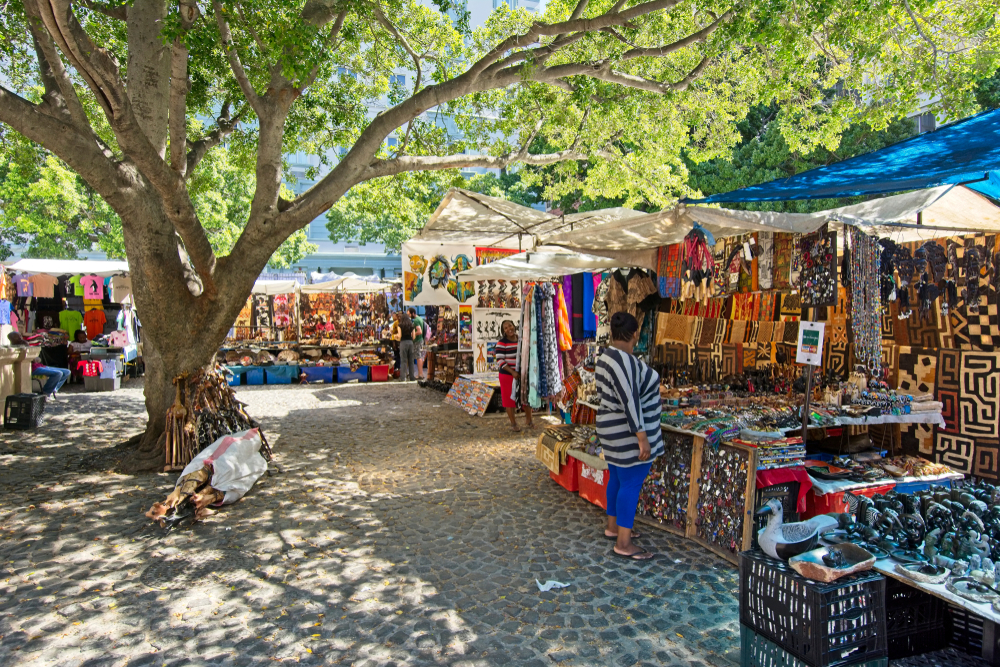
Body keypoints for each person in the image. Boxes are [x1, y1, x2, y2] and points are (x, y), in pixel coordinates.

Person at [595, 311, 664, 560]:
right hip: (626, 433)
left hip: (612, 429)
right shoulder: (622, 360)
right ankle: (623, 543)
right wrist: (642, 436)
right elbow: (629, 399)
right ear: (636, 333)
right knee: (631, 483)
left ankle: (614, 528)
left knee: (617, 477)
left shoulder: (607, 356)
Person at [8, 332, 71, 399]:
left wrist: (35, 358)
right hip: (32, 369)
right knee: (58, 374)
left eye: (19, 336)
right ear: (12, 339)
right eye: (17, 337)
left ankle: (53, 389)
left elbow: (35, 358)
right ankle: (46, 393)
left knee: (67, 372)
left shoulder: (24, 343)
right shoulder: (13, 348)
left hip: (39, 366)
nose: (20, 338)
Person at [496, 320, 534, 431]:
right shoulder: (502, 343)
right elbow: (500, 361)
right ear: (503, 331)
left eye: (510, 326)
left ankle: (529, 420)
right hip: (507, 375)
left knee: (526, 397)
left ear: (514, 326)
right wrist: (512, 372)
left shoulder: (521, 339)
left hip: (522, 374)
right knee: (509, 400)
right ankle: (513, 424)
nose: (509, 329)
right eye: (506, 328)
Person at [408, 307, 426, 380]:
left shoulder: (416, 320)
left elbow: (420, 331)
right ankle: (420, 373)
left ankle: (420, 374)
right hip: (420, 340)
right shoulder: (420, 318)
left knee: (418, 357)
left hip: (418, 340)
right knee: (420, 357)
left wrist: (412, 334)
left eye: (409, 314)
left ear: (413, 313)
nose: (409, 316)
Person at [398, 312, 415, 382]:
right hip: (410, 343)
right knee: (411, 361)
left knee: (403, 361)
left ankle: (403, 377)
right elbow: (414, 337)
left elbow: (399, 337)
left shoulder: (400, 325)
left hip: (403, 343)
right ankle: (412, 377)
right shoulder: (411, 325)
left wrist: (396, 337)